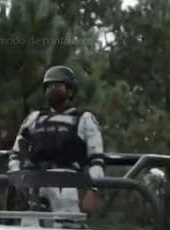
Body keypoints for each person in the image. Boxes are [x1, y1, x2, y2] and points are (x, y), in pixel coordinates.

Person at [7, 65, 104, 215]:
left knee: (66, 229)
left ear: (70, 90)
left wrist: (92, 190)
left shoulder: (84, 119)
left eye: (58, 85)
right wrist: (19, 181)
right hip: (36, 185)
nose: (53, 89)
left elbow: (96, 160)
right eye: (49, 86)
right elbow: (16, 153)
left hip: (69, 185)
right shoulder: (34, 118)